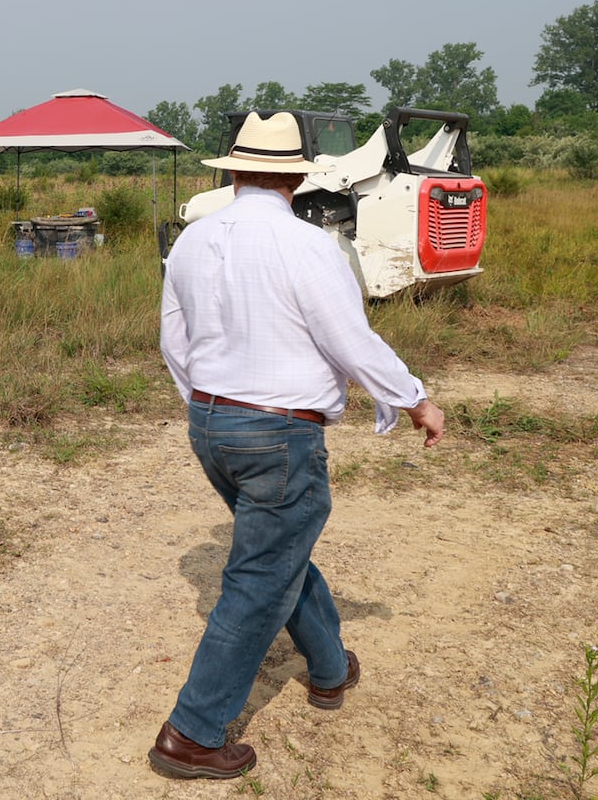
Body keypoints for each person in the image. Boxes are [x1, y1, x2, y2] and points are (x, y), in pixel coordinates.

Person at [150, 112, 445, 780]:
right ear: (295, 176)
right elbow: (350, 339)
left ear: (232, 170)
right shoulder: (309, 246)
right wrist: (415, 399)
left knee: (279, 552)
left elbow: (174, 338)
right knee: (259, 577)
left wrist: (204, 408)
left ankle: (329, 669)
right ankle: (191, 732)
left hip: (212, 422)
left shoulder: (194, 241)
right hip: (278, 431)